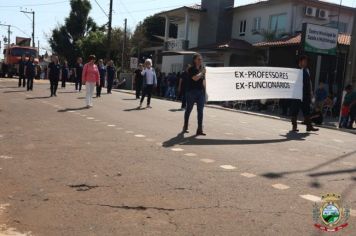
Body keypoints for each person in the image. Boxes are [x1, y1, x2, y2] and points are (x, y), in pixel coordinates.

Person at [290, 55, 319, 132]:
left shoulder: (307, 70)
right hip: (297, 94)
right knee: (294, 110)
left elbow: (309, 82)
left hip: (305, 94)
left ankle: (309, 126)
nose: (306, 63)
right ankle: (294, 126)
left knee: (307, 110)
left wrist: (311, 92)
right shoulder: (295, 70)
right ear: (300, 62)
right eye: (304, 61)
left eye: (306, 61)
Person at [183, 53, 206, 136]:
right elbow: (195, 78)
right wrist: (202, 72)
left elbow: (203, 81)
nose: (200, 61)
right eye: (199, 59)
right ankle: (185, 126)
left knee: (200, 111)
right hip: (191, 92)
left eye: (201, 59)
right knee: (189, 109)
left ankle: (199, 129)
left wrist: (206, 92)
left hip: (200, 92)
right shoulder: (191, 69)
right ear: (194, 60)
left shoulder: (202, 69)